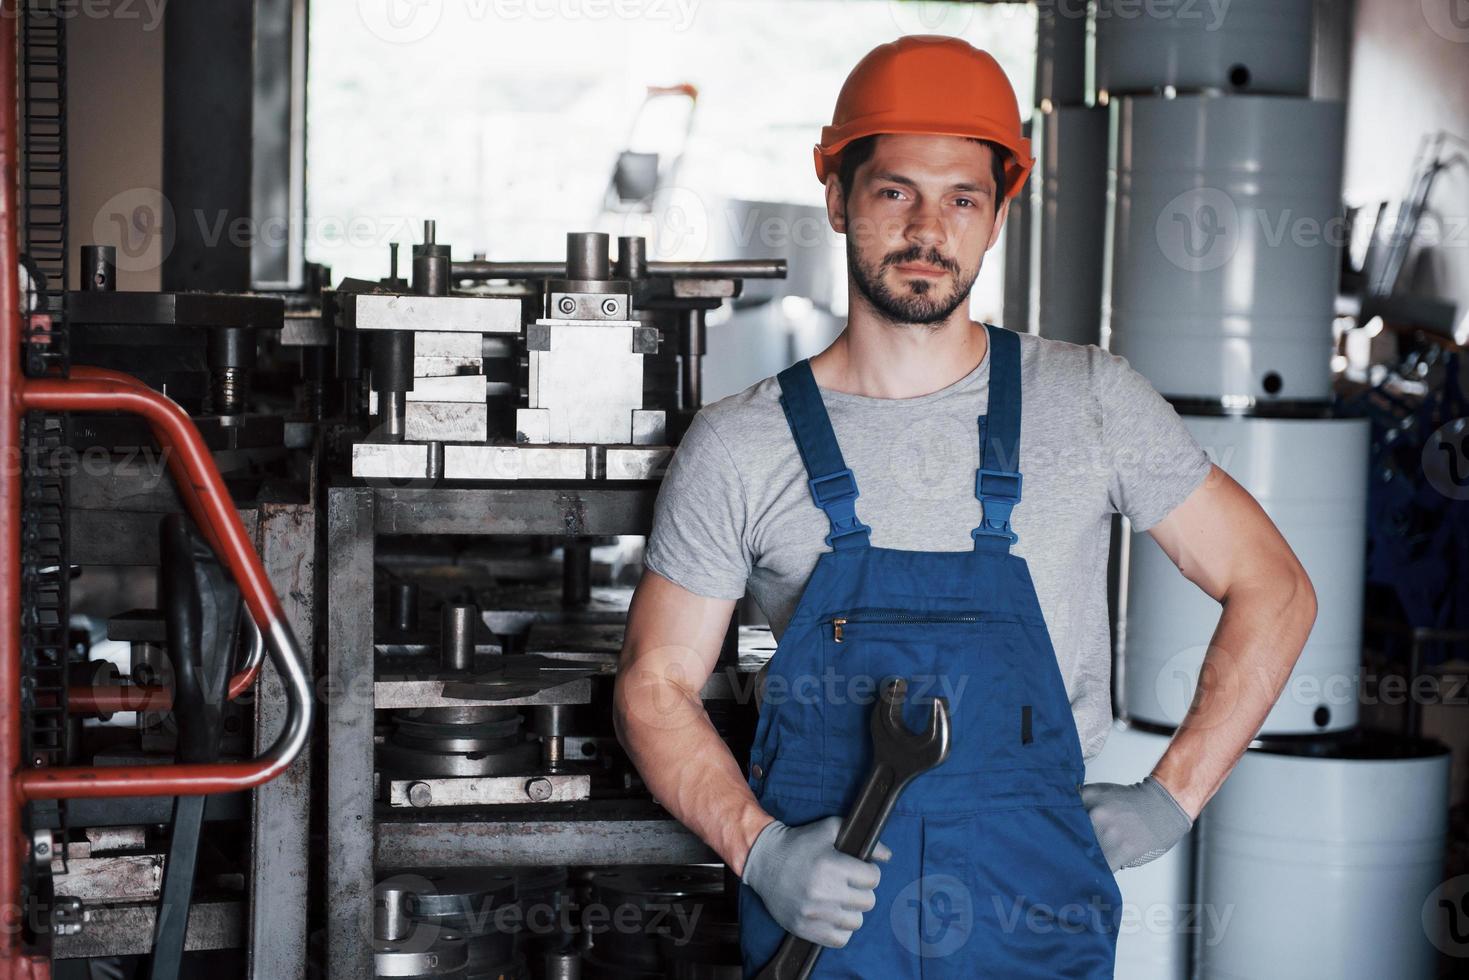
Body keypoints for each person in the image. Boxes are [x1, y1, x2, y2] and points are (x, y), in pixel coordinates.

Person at [613, 35, 1317, 978]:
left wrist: (1172, 796)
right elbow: (653, 684)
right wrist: (760, 849)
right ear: (837, 198)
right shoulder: (743, 442)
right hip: (830, 907)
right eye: (895, 189)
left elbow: (1272, 587)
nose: (927, 228)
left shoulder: (1091, 401)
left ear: (995, 219)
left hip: (1031, 904)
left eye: (962, 199)